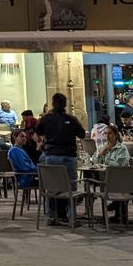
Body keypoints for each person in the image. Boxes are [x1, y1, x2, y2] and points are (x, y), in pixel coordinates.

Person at [35, 93, 86, 226]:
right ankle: (71, 217)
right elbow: (81, 134)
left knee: (52, 187)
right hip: (69, 156)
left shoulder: (46, 119)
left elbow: (37, 132)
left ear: (52, 103)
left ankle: (52, 216)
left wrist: (44, 142)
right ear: (65, 104)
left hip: (51, 156)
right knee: (71, 187)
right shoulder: (71, 119)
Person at [89, 126, 131, 223]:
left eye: (110, 133)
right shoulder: (101, 147)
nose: (107, 136)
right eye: (105, 133)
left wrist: (106, 159)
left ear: (116, 135)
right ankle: (117, 210)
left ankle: (118, 211)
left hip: (121, 179)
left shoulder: (122, 148)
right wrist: (101, 153)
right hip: (105, 180)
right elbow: (94, 162)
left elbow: (119, 165)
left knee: (120, 186)